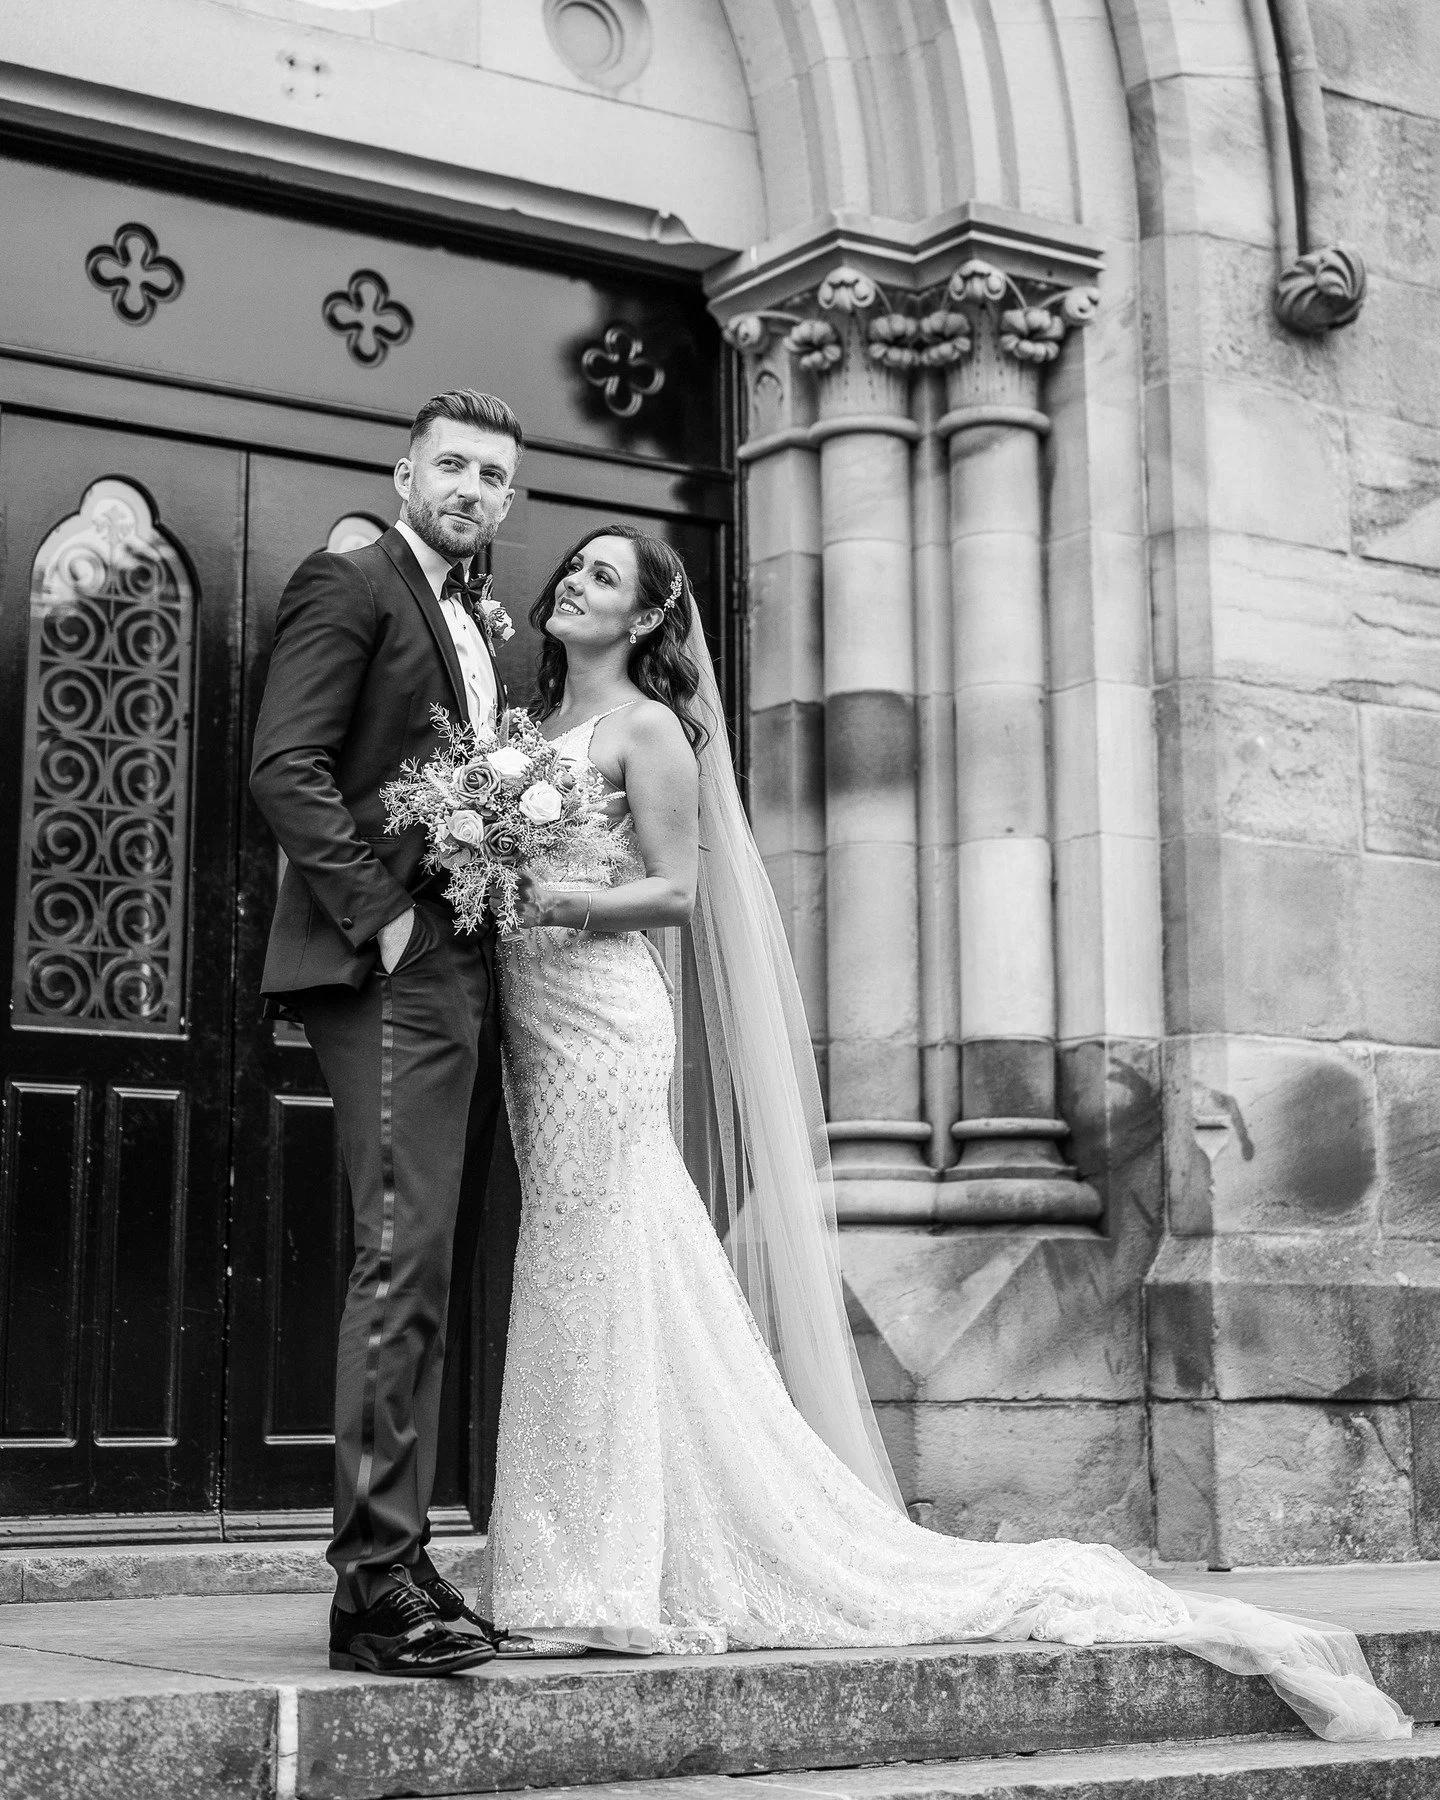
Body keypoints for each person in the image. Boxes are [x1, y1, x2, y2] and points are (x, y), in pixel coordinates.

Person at [476, 522, 1410, 1743]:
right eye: (576, 567)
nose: (574, 583)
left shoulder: (648, 730)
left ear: (649, 619)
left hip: (603, 1026)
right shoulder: (520, 731)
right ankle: (565, 1553)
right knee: (576, 1269)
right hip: (534, 1024)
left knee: (604, 1262)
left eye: (603, 575)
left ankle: (607, 1567)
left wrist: (548, 896)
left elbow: (679, 891)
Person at [250, 388, 524, 1676]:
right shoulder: (351, 579)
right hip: (389, 966)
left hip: (457, 967)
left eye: (495, 477)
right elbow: (285, 764)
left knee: (419, 1261)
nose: (473, 488)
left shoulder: (471, 612)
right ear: (403, 469)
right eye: (454, 465)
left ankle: (400, 1557)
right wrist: (387, 922)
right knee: (398, 1256)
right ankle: (372, 1588)